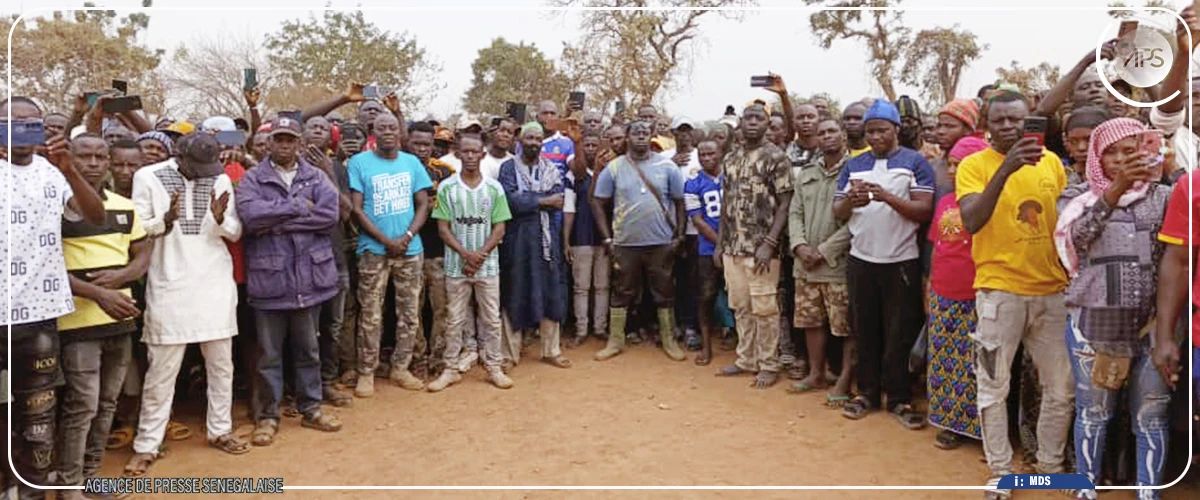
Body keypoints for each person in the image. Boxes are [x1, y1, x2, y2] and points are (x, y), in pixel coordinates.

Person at [956, 90, 1072, 496]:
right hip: (998, 295)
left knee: (1061, 387)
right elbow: (970, 221)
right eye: (999, 120)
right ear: (985, 124)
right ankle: (1001, 472)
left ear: (1030, 122)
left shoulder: (1053, 163)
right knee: (992, 385)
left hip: (1052, 293)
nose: (1008, 127)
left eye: (1016, 120)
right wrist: (1006, 168)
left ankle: (1049, 468)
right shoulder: (973, 166)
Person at [1054, 118, 1172, 499]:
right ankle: (1085, 488)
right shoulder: (1077, 197)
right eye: (1111, 152)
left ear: (1145, 148)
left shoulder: (1165, 197)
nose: (1120, 159)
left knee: (1151, 416)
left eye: (1129, 149)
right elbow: (1079, 239)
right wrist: (1115, 191)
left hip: (1153, 328)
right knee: (1093, 414)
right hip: (1093, 326)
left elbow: (1177, 260)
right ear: (1097, 158)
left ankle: (1148, 493)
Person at [125, 132, 248, 476]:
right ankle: (147, 444)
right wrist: (164, 221)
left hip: (214, 282)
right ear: (177, 155)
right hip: (169, 283)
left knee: (221, 365)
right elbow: (138, 228)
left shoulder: (219, 176)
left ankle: (220, 430)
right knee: (162, 371)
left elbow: (235, 232)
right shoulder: (147, 177)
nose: (202, 173)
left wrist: (221, 218)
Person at [0, 98, 102, 500]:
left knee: (38, 415)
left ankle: (33, 491)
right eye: (11, 122)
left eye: (31, 123)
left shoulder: (54, 172)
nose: (22, 129)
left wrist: (70, 169)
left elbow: (93, 215)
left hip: (39, 318)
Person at [236, 117, 344, 447]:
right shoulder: (253, 178)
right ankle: (268, 416)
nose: (284, 145)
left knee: (308, 350)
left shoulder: (316, 176)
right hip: (271, 282)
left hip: (309, 280)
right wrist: (297, 207)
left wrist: (277, 220)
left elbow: (330, 215)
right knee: (269, 355)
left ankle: (311, 408)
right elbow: (250, 217)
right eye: (278, 140)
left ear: (299, 143)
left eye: (289, 140)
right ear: (268, 144)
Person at [54, 134, 149, 499]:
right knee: (83, 405)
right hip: (79, 322)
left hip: (120, 317)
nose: (93, 163)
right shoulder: (56, 207)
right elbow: (49, 267)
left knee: (108, 402)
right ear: (70, 160)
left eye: (99, 156)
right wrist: (99, 294)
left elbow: (142, 253)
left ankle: (93, 477)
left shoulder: (124, 206)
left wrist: (123, 278)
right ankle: (70, 485)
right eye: (84, 156)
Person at [832, 99, 933, 428]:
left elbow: (924, 210)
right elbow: (838, 212)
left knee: (899, 333)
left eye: (882, 131)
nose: (875, 137)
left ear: (897, 130)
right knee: (865, 330)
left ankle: (900, 399)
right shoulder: (854, 165)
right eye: (870, 131)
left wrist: (886, 197)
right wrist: (852, 200)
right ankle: (867, 394)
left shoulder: (914, 162)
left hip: (901, 261)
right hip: (862, 259)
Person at [348, 113, 433, 396]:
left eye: (392, 128)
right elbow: (357, 210)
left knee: (409, 313)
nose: (387, 132)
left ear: (400, 132)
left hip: (411, 249)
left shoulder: (411, 163)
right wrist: (386, 240)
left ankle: (400, 367)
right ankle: (366, 372)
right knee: (371, 314)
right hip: (373, 250)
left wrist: (407, 236)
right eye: (381, 127)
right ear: (373, 131)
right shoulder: (359, 163)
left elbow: (423, 204)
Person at [591, 120, 687, 362]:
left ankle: (669, 339)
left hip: (661, 242)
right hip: (624, 243)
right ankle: (615, 340)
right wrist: (607, 239)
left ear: (652, 136)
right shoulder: (614, 167)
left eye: (645, 133)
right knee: (621, 291)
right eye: (636, 133)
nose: (641, 137)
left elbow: (679, 202)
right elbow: (597, 202)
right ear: (627, 137)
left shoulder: (668, 166)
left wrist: (680, 236)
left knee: (664, 290)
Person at [713, 103, 793, 389]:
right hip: (734, 247)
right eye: (748, 118)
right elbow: (726, 202)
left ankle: (769, 364)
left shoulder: (776, 157)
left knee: (765, 308)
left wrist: (771, 242)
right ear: (741, 123)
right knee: (741, 306)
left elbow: (785, 203)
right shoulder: (731, 158)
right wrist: (720, 244)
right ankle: (746, 359)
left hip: (762, 249)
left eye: (759, 118)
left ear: (767, 124)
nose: (753, 122)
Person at [428, 134, 515, 391]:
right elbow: (443, 229)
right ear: (458, 154)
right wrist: (466, 254)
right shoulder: (447, 188)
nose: (469, 156)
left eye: (474, 151)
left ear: (482, 154)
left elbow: (499, 228)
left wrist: (479, 255)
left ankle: (494, 367)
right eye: (464, 151)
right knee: (454, 319)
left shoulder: (493, 188)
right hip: (457, 266)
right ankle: (450, 369)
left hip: (487, 266)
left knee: (491, 318)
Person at [926, 136, 989, 451]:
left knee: (976, 364)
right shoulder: (946, 202)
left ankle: (980, 430)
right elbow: (942, 246)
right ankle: (949, 424)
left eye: (960, 165)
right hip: (944, 292)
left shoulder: (990, 200)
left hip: (980, 294)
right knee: (943, 360)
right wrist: (930, 288)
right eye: (950, 164)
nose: (952, 171)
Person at [787, 118, 854, 405]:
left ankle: (845, 378)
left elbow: (857, 222)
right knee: (811, 321)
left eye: (831, 132)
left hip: (837, 265)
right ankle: (816, 373)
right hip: (805, 265)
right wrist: (800, 246)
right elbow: (795, 212)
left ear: (843, 136)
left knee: (846, 326)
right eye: (821, 133)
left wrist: (824, 251)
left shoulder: (855, 171)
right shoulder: (807, 173)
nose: (826, 137)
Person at [497, 122, 572, 369]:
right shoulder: (508, 168)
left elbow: (559, 199)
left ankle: (551, 350)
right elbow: (510, 201)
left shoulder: (551, 169)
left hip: (546, 240)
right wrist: (544, 200)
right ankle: (510, 354)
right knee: (514, 293)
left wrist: (533, 201)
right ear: (520, 140)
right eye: (529, 138)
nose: (534, 143)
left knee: (551, 293)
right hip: (517, 242)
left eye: (538, 139)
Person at [409, 121, 458, 376]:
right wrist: (425, 206)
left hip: (438, 251)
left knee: (441, 308)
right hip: (410, 251)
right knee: (411, 310)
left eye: (426, 144)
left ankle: (438, 358)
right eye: (416, 144)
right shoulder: (401, 170)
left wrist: (426, 206)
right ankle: (417, 357)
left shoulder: (445, 172)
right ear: (407, 142)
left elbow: (447, 209)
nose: (422, 149)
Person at [563, 131, 610, 346]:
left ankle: (600, 328)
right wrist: (566, 239)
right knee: (581, 287)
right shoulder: (575, 175)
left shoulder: (609, 172)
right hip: (581, 236)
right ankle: (581, 330)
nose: (591, 149)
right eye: (587, 145)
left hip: (604, 237)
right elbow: (569, 208)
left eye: (594, 145)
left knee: (602, 285)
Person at [684, 138, 724, 366]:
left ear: (720, 153)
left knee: (740, 299)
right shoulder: (692, 183)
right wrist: (719, 243)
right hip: (707, 248)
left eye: (711, 154)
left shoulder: (732, 177)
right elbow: (697, 220)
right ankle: (707, 347)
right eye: (702, 155)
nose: (707, 158)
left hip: (736, 247)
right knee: (705, 298)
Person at [1062, 107, 1111, 186]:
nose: (1081, 147)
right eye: (1073, 141)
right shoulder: (1059, 174)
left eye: (1089, 140)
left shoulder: (1122, 174)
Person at [536, 100, 575, 177]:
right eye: (545, 113)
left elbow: (577, 172)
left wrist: (578, 142)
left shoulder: (567, 143)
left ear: (559, 118)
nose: (549, 117)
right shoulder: (525, 142)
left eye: (552, 114)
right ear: (537, 118)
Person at [788, 102, 822, 169]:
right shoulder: (786, 151)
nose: (806, 121)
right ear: (793, 123)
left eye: (811, 117)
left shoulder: (828, 151)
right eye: (800, 117)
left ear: (819, 121)